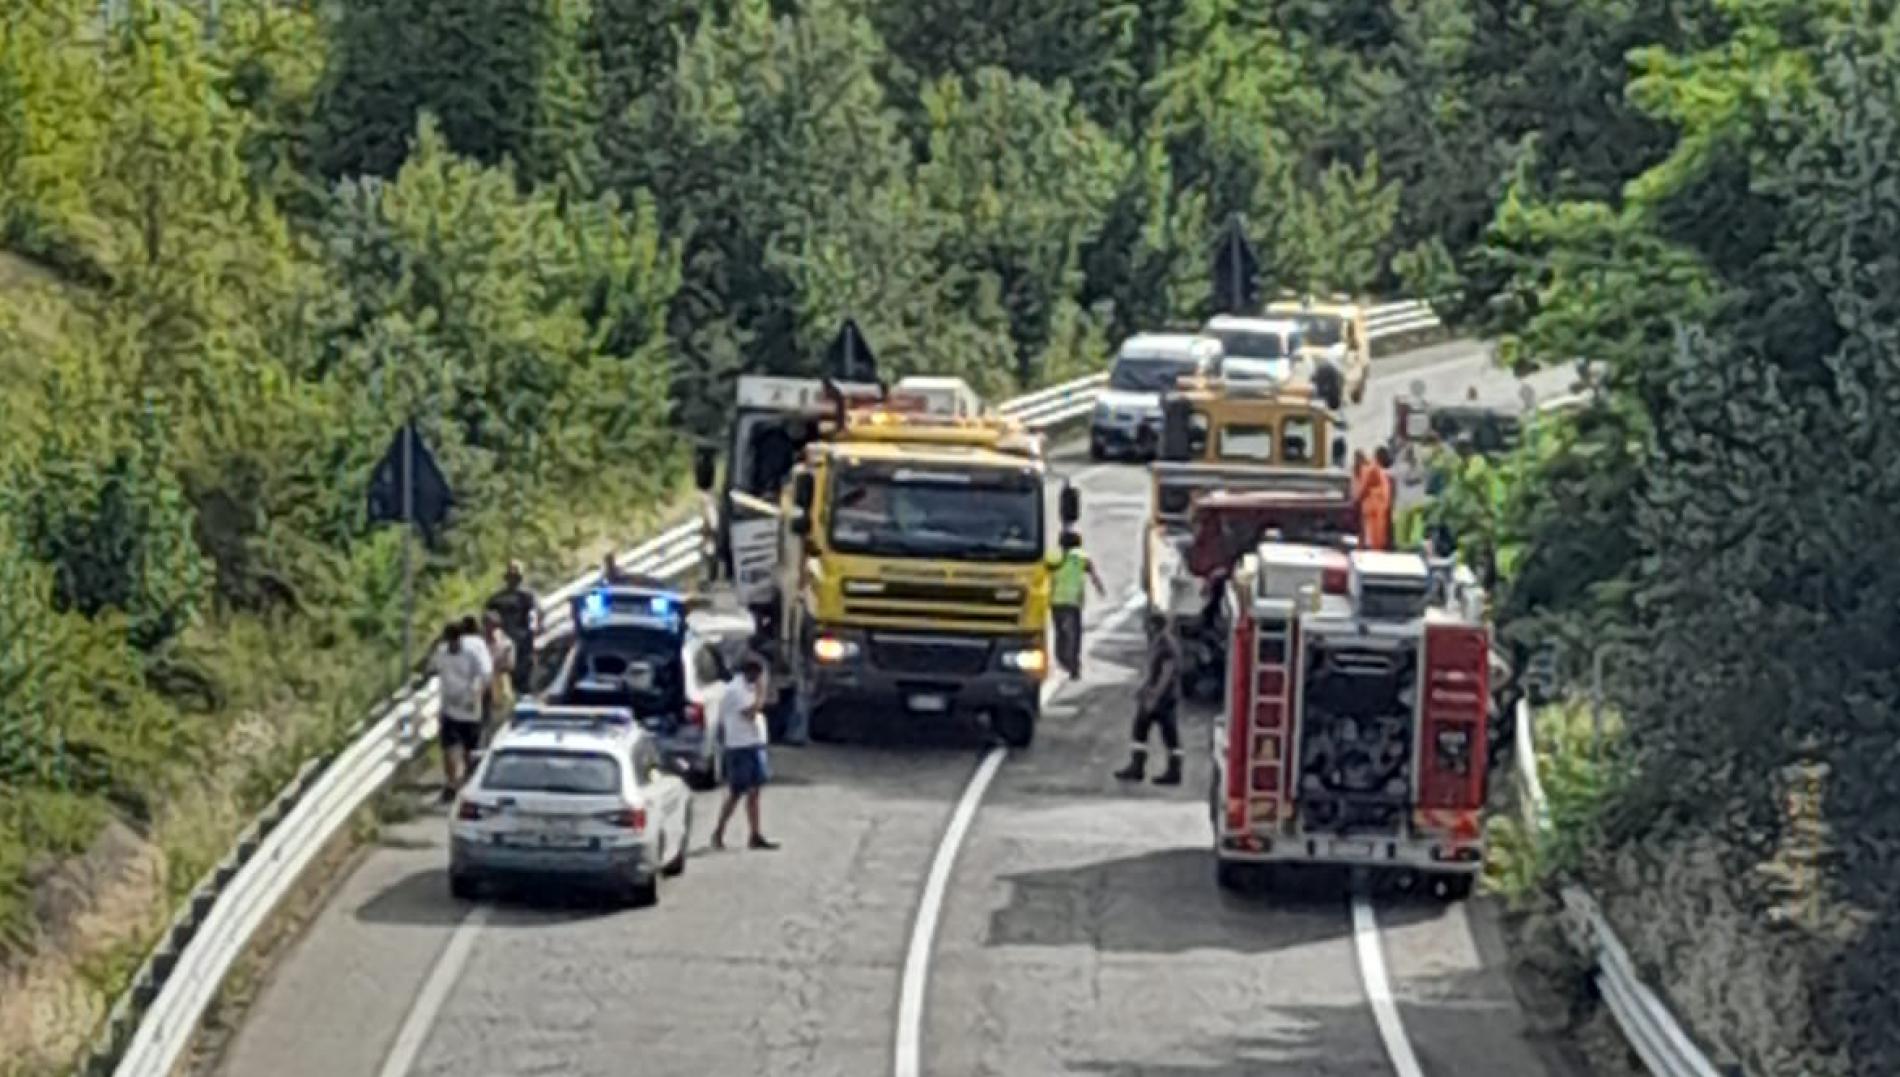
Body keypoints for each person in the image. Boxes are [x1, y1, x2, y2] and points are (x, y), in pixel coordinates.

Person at [711, 656, 779, 851]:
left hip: (754, 743)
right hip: (740, 746)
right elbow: (750, 713)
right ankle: (718, 832)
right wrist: (761, 691)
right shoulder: (736, 690)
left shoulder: (747, 687)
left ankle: (755, 834)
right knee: (736, 792)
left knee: (755, 791)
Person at [1114, 612, 1183, 784]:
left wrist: (1154, 695)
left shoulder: (1166, 645)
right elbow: (1153, 671)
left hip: (1163, 698)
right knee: (1142, 729)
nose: (1145, 628)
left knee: (1166, 733)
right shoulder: (1159, 642)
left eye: (1148, 624)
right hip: (1158, 695)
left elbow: (1166, 673)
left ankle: (1169, 771)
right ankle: (1139, 767)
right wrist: (1143, 688)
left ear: (1154, 626)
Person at [432, 620, 490, 800]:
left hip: (469, 708)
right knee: (448, 747)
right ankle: (451, 783)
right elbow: (433, 669)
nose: (451, 645)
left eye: (454, 641)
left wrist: (477, 694)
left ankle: (469, 781)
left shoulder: (472, 653)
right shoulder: (441, 653)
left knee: (470, 750)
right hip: (449, 707)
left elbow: (484, 674)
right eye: (448, 641)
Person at [1048, 529, 1106, 679]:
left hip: (1056, 601)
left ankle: (1063, 659)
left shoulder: (1054, 557)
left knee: (1060, 633)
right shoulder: (1082, 558)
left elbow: (1043, 572)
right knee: (1074, 635)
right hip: (1073, 602)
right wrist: (1100, 589)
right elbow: (1093, 574)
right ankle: (1073, 664)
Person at [484, 561, 537, 694]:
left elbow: (535, 616)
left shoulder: (527, 597)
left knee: (522, 676)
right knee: (504, 678)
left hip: (522, 642)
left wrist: (532, 633)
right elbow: (487, 620)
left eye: (515, 577)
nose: (513, 580)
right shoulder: (496, 599)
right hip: (502, 643)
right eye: (511, 577)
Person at [480, 610, 517, 740]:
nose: (490, 630)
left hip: (500, 685)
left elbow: (509, 665)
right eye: (488, 626)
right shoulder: (478, 644)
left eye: (494, 626)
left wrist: (496, 666)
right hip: (481, 687)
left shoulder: (505, 643)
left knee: (501, 719)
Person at [1361, 446, 1394, 551]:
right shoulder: (1376, 470)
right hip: (1376, 506)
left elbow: (1365, 487)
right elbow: (1366, 486)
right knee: (1375, 534)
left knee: (1377, 534)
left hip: (1377, 506)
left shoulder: (1379, 470)